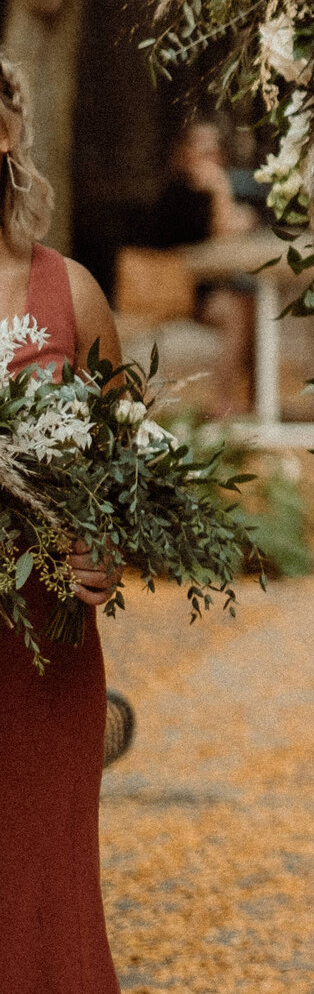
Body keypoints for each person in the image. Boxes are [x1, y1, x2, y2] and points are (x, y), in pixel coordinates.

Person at [0, 57, 129, 994]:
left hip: (42, 646)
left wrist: (108, 549)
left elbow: (132, 465)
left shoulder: (70, 292)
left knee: (46, 889)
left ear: (5, 133)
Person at [145, 117, 260, 415]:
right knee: (239, 310)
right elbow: (222, 232)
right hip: (175, 289)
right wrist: (222, 188)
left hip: (202, 286)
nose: (211, 157)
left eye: (214, 150)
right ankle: (222, 399)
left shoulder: (201, 192)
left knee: (251, 303)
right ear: (186, 153)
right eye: (202, 149)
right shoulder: (180, 192)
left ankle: (257, 398)